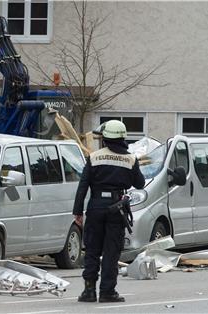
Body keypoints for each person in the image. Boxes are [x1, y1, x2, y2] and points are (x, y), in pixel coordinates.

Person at [73, 120, 145, 303]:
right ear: (122, 138)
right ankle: (107, 292)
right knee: (111, 252)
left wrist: (78, 212)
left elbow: (83, 187)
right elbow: (140, 183)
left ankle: (89, 291)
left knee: (92, 250)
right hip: (116, 209)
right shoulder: (130, 159)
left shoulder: (94, 157)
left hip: (95, 206)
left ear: (105, 138)